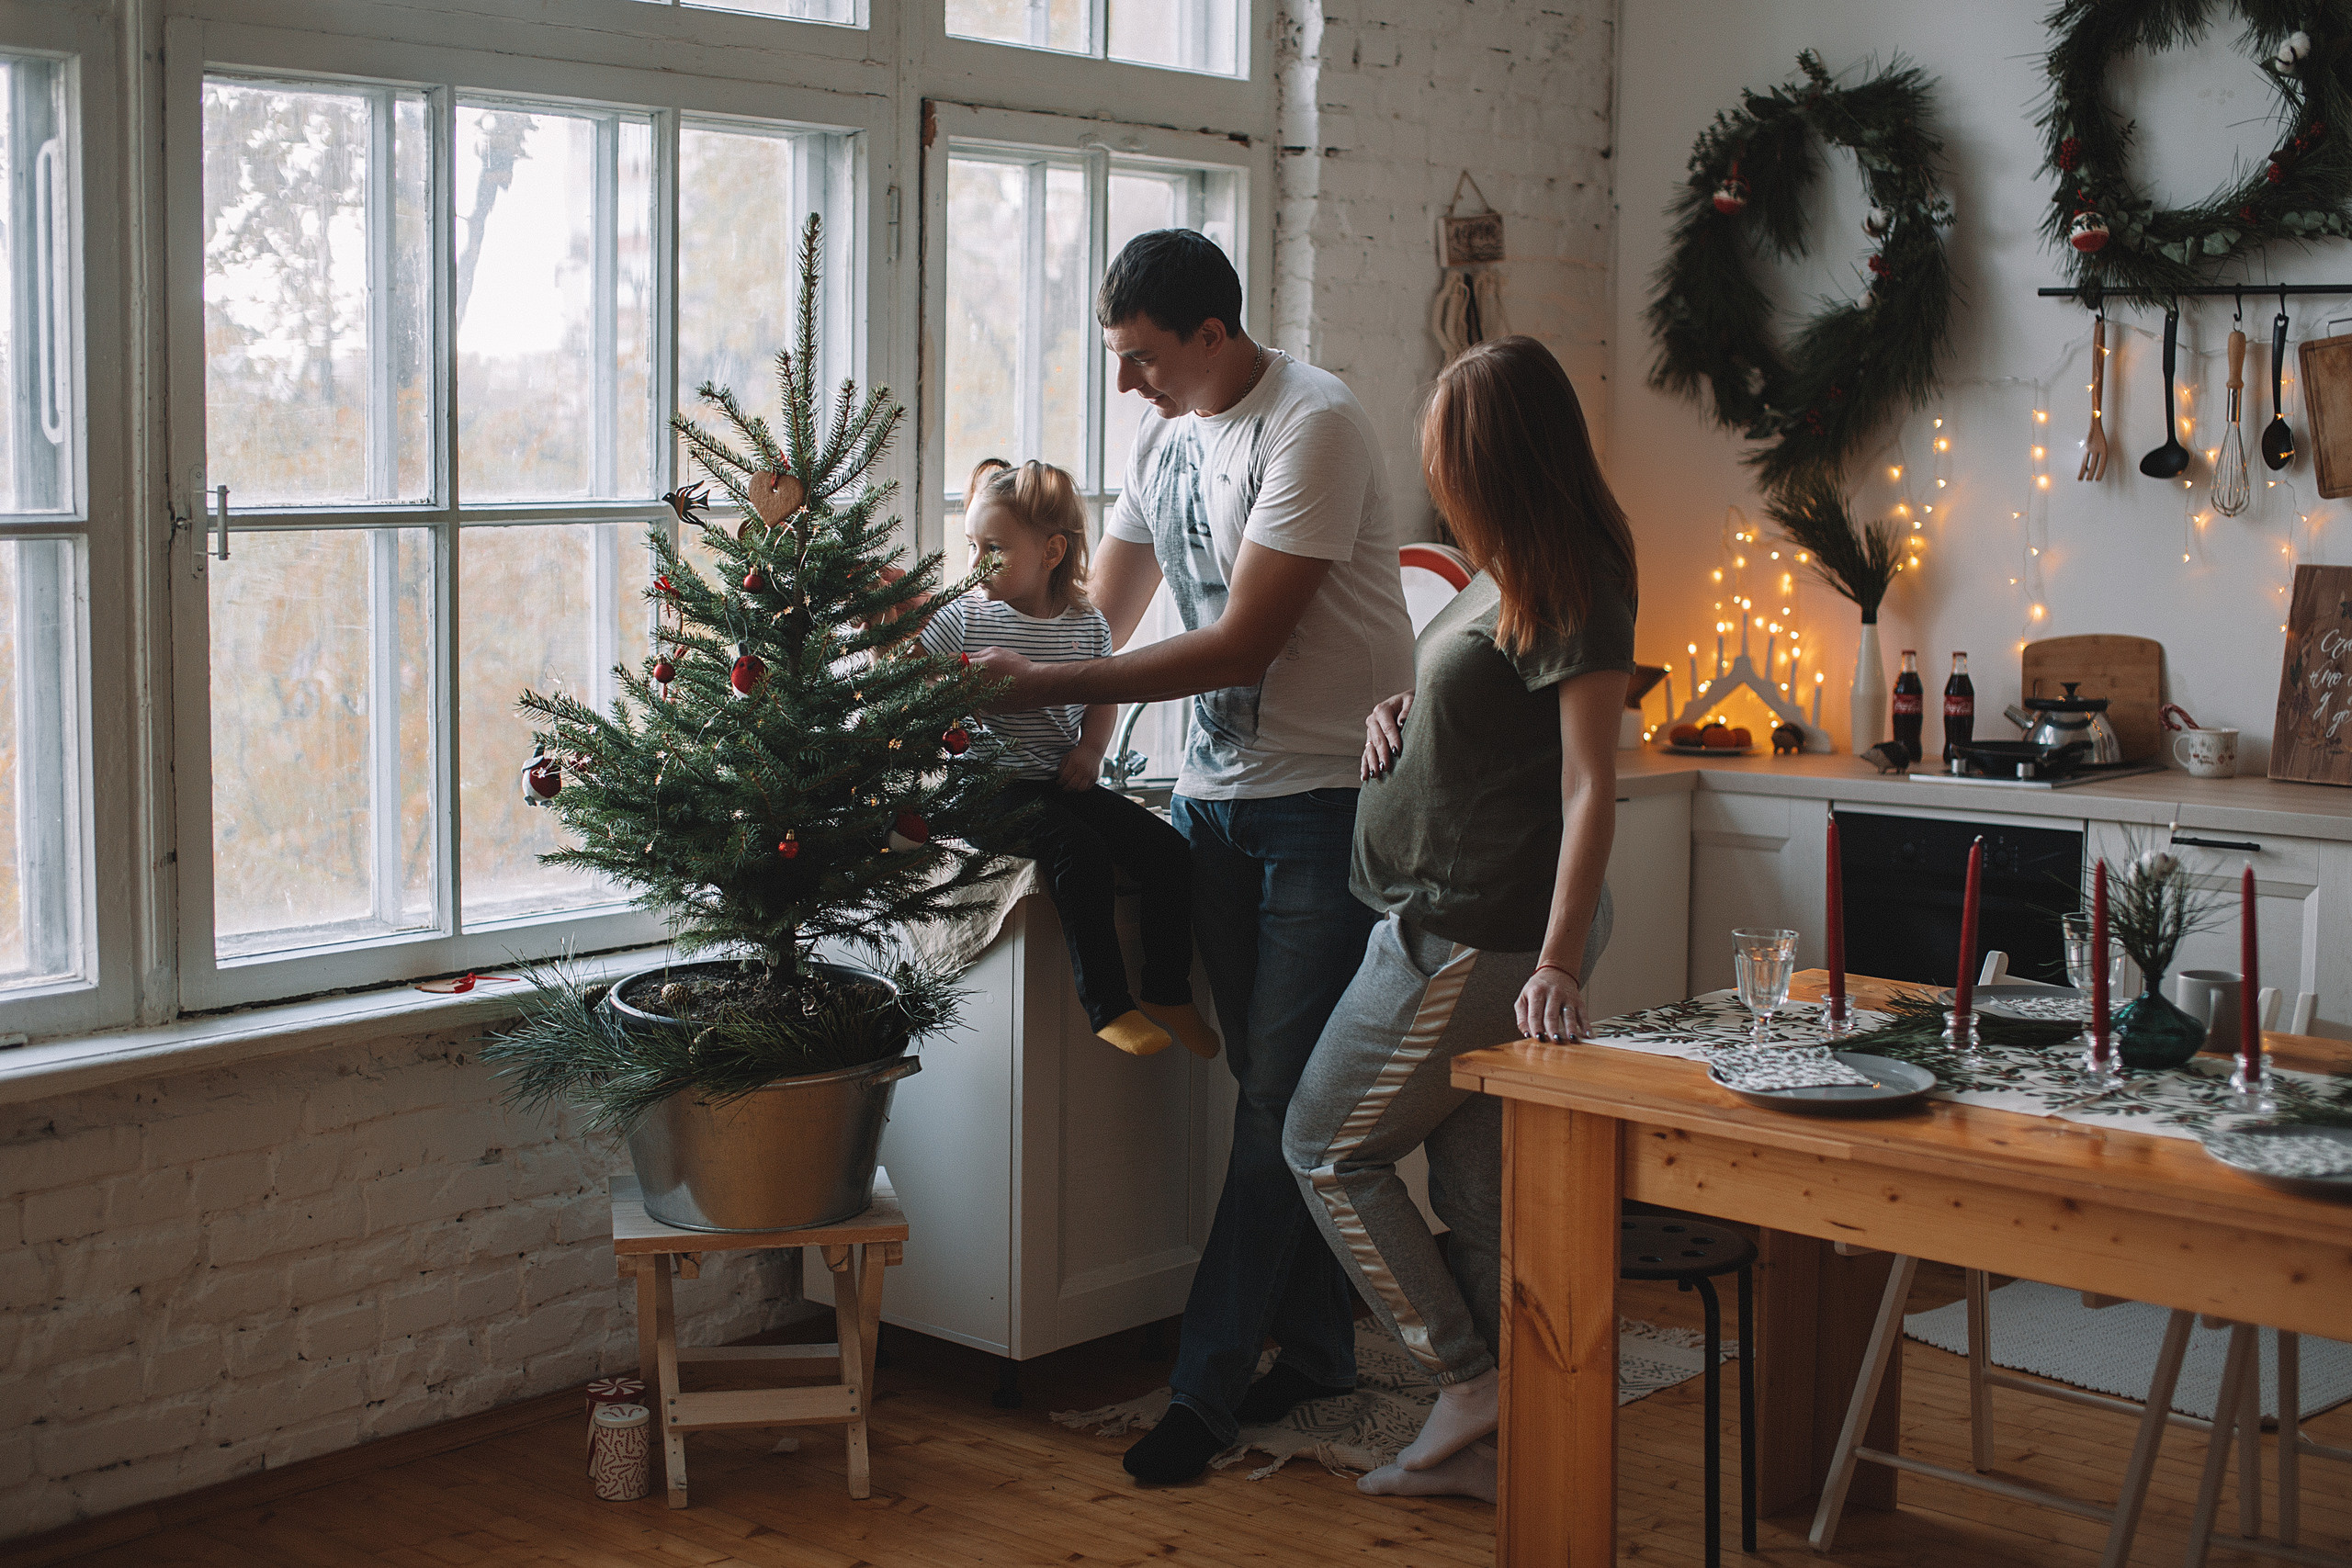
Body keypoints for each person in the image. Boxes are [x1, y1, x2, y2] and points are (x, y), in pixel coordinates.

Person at [968, 229, 1416, 1483]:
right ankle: (1323, 1347)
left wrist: (1060, 687)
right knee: (1280, 1090)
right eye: (1120, 360)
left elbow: (1243, 644)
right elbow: (1106, 613)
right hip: (1213, 804)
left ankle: (1203, 1390)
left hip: (1327, 803)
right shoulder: (1165, 441)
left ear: (1212, 335)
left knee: (1282, 1096)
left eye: (1144, 357)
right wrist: (1080, 753)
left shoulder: (1312, 425)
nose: (1128, 385)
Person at [1283, 335, 1637, 1505]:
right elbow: (1486, 692)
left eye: (1447, 457)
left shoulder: (1574, 571)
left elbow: (1591, 782)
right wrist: (1405, 707)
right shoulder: (1506, 564)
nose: (1437, 480)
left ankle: (1464, 1380)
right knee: (1478, 1191)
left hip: (1475, 932)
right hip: (1437, 913)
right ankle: (1506, 1444)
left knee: (1325, 1147)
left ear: (1494, 458)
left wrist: (1554, 961)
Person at [918, 458, 1219, 1061]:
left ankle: (1166, 989)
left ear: (1052, 550)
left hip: (1057, 779)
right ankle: (1108, 1005)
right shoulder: (963, 618)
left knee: (1165, 851)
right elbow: (914, 677)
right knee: (1076, 849)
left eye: (993, 549)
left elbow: (1101, 695)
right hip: (983, 787)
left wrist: (1090, 749)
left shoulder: (1086, 627)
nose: (975, 563)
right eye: (972, 546)